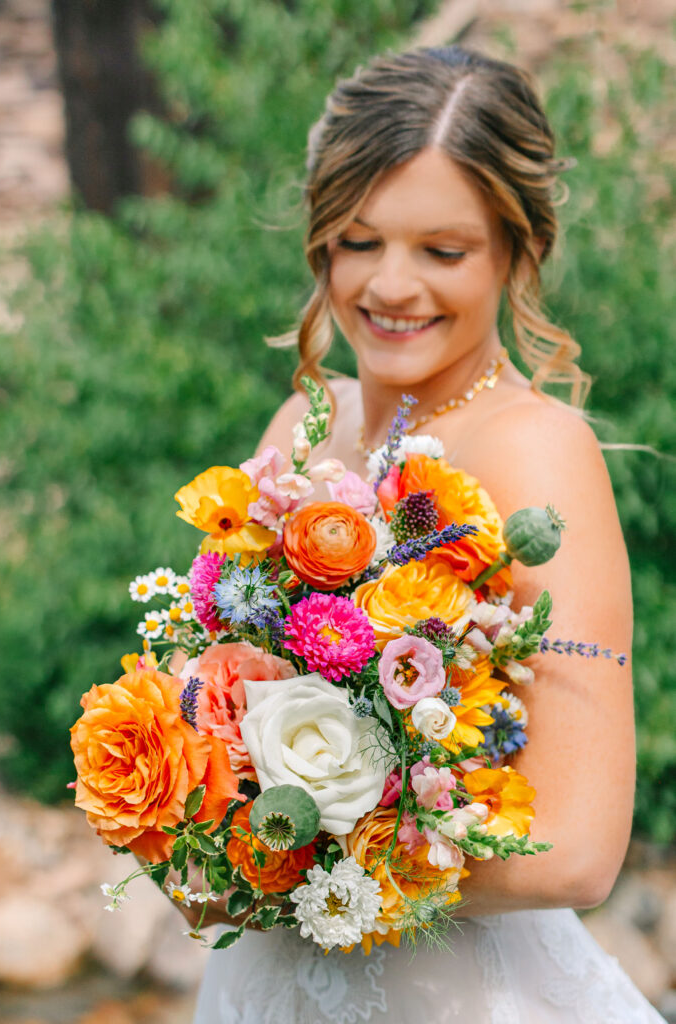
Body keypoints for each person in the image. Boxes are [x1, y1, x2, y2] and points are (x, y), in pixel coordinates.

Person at [189, 46, 665, 1023]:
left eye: (441, 252)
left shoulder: (536, 451)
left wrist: (301, 858)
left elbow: (574, 850)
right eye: (358, 241)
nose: (389, 286)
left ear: (514, 248)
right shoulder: (302, 426)